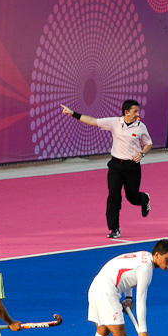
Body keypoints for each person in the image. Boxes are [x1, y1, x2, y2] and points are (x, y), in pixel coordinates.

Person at [60, 100, 153, 239]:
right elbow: (93, 121)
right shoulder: (114, 122)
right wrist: (73, 114)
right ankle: (114, 228)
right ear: (126, 112)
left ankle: (144, 199)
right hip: (115, 166)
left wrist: (142, 154)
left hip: (132, 167)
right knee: (113, 196)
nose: (138, 114)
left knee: (132, 197)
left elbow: (148, 143)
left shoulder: (140, 127)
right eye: (135, 111)